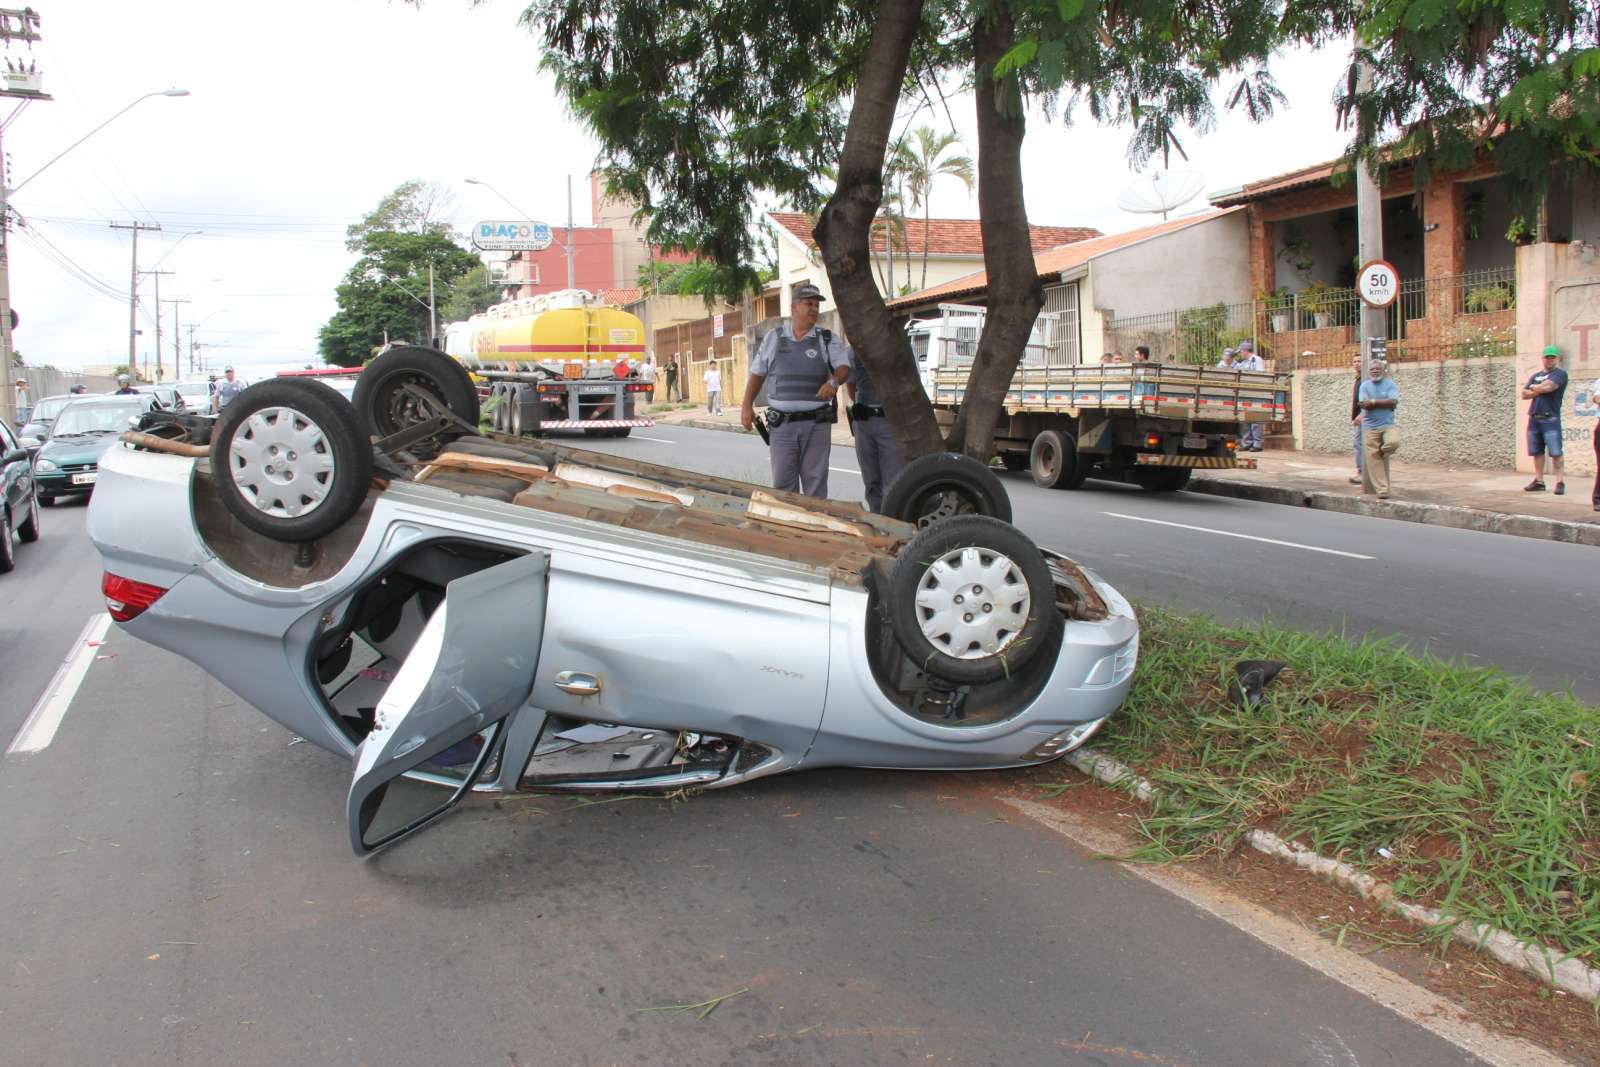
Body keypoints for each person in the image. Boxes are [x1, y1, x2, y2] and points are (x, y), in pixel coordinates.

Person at [740, 283, 851, 498]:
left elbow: (844, 368)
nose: (814, 309)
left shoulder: (827, 339)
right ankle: (788, 528)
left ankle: (813, 529)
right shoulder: (774, 338)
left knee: (815, 484)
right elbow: (757, 374)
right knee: (782, 484)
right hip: (782, 426)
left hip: (816, 425)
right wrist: (746, 406)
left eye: (817, 305)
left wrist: (834, 382)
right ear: (793, 307)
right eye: (808, 303)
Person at [846, 346, 902, 514]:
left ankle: (893, 524)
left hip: (891, 422)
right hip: (864, 422)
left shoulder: (900, 347)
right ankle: (877, 521)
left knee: (893, 481)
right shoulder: (853, 350)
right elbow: (851, 386)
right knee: (871, 480)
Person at [1521, 345, 1568, 494]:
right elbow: (1524, 394)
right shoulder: (1536, 375)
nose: (1549, 360)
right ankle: (1539, 480)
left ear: (1557, 359)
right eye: (1547, 357)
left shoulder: (1560, 374)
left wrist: (1535, 389)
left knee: (1555, 452)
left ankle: (1560, 482)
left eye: (1552, 357)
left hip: (1550, 418)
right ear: (1543, 359)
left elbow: (1549, 387)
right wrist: (1539, 388)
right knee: (1537, 451)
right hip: (1535, 417)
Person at [1357, 358, 1400, 498]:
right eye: (1372, 369)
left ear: (1383, 371)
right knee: (1373, 460)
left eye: (1378, 369)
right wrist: (1384, 403)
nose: (1375, 371)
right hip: (1370, 427)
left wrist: (1374, 401)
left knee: (1393, 443)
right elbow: (1364, 404)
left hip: (1388, 424)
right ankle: (1382, 490)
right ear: (1369, 372)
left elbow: (1393, 402)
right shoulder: (1364, 385)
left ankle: (1383, 452)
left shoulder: (1390, 384)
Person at [1233, 341, 1266, 451]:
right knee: (1245, 419)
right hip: (1245, 393)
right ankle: (1247, 442)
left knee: (1256, 419)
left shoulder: (1257, 360)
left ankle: (1257, 444)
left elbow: (1260, 375)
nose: (1240, 354)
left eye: (1241, 352)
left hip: (1255, 393)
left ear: (1245, 351)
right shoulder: (1243, 362)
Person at [1347, 355, 1365, 485]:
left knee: (1359, 444)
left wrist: (1361, 415)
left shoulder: (1365, 379)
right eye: (1354, 361)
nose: (1357, 364)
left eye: (1359, 361)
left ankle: (1361, 472)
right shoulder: (1358, 378)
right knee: (1360, 444)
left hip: (1364, 417)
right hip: (1359, 416)